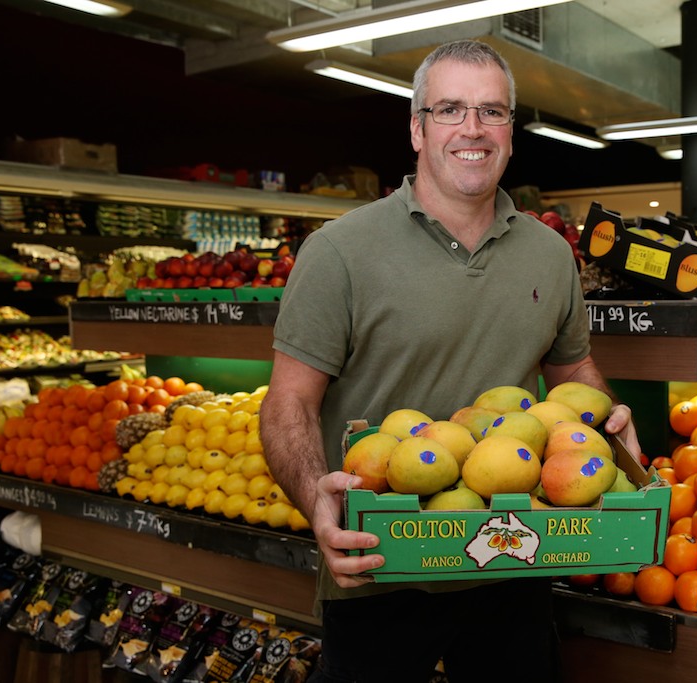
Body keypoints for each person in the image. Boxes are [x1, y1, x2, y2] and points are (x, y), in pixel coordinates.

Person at [260, 39, 640, 683]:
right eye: (450, 110)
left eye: (492, 112)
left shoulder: (549, 253)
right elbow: (288, 401)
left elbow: (573, 371)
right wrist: (313, 502)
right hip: (383, 565)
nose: (473, 129)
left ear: (511, 135)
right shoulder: (340, 251)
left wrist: (606, 429)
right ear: (416, 128)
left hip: (514, 553)